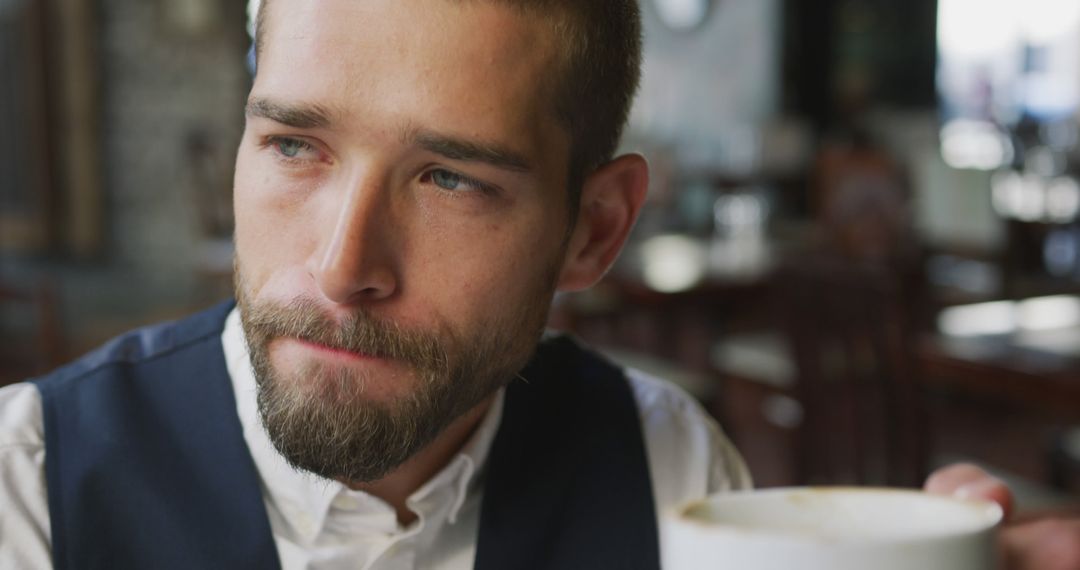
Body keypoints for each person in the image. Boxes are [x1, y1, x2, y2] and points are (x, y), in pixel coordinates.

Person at [0, 0, 1076, 568]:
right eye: (294, 147)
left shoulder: (669, 469)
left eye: (450, 177)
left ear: (593, 230)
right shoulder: (30, 484)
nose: (340, 268)